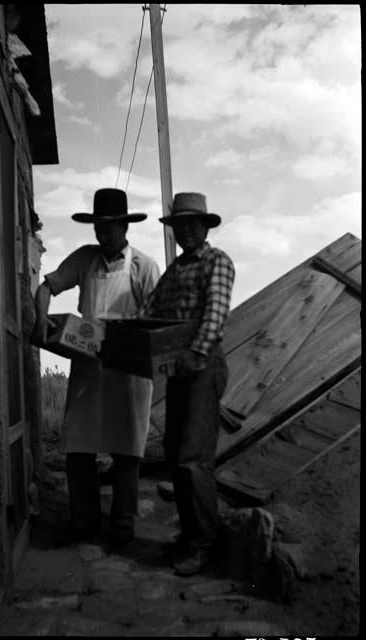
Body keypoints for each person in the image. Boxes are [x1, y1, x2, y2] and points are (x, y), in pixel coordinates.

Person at [33, 188, 160, 546]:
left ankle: (122, 523)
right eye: (98, 228)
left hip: (129, 372)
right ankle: (84, 520)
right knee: (78, 442)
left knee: (126, 448)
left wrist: (129, 338)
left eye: (109, 228)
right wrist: (42, 320)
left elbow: (156, 322)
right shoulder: (86, 260)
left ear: (123, 226)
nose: (102, 235)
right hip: (88, 367)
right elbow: (46, 288)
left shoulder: (144, 267)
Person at [140, 192, 235, 576]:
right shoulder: (176, 270)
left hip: (203, 363)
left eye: (192, 224)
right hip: (179, 368)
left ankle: (202, 544)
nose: (186, 231)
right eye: (180, 226)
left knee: (194, 458)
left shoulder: (217, 261)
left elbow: (215, 315)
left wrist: (194, 356)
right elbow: (150, 309)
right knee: (176, 452)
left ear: (205, 226)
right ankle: (188, 536)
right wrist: (125, 335)